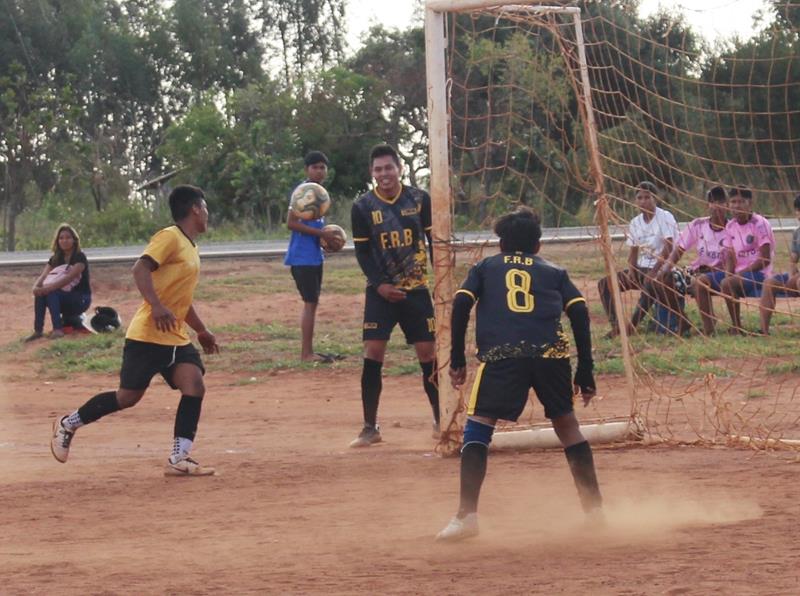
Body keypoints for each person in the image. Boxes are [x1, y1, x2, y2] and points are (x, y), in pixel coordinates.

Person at [436, 207, 601, 542]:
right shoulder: (555, 270)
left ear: (501, 244)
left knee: (478, 427)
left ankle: (467, 516)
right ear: (538, 245)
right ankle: (595, 511)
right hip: (551, 356)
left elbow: (462, 305)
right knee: (568, 426)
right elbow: (580, 311)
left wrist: (457, 358)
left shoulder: (484, 267)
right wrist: (585, 368)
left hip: (503, 356)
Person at [50, 185, 220, 476]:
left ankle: (179, 459)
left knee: (194, 384)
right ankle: (68, 424)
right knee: (127, 397)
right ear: (195, 209)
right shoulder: (170, 237)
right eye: (205, 208)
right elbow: (139, 269)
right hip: (147, 335)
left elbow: (181, 300)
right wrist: (155, 305)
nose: (207, 214)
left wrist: (202, 331)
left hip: (175, 335)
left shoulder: (191, 248)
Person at [348, 143, 439, 447]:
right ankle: (370, 427)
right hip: (381, 293)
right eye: (378, 169)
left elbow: (434, 242)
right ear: (371, 173)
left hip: (417, 291)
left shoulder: (419, 199)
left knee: (428, 355)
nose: (384, 174)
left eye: (388, 167)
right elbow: (362, 253)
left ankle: (442, 420)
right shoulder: (362, 207)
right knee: (373, 354)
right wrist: (380, 285)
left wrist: (441, 280)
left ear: (399, 168)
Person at [598, 182, 678, 336]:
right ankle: (617, 326)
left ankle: (632, 326)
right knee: (605, 284)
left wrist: (654, 271)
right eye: (639, 198)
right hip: (642, 268)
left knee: (650, 283)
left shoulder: (665, 217)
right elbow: (633, 250)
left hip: (661, 269)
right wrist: (632, 269)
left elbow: (669, 247)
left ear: (655, 198)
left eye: (647, 197)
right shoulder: (635, 222)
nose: (643, 201)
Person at [284, 151, 341, 362]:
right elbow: (290, 223)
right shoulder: (303, 192)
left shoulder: (319, 193)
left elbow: (313, 226)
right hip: (302, 258)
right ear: (307, 169)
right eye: (315, 167)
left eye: (322, 167)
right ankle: (306, 354)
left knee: (313, 303)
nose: (319, 170)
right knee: (310, 303)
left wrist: (325, 241)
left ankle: (308, 351)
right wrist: (321, 234)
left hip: (313, 257)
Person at [660, 186, 729, 336]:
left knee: (699, 282)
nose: (717, 206)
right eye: (713, 202)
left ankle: (709, 326)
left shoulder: (732, 228)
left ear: (727, 205)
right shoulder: (698, 224)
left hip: (721, 273)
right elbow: (679, 250)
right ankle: (682, 321)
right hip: (698, 269)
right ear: (707, 205)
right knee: (665, 278)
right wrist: (666, 267)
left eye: (721, 202)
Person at [720, 186, 775, 334]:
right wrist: (729, 274)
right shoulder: (730, 225)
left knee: (727, 283)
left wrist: (738, 275)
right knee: (707, 281)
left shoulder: (760, 224)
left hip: (760, 274)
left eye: (741, 201)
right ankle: (733, 327)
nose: (736, 205)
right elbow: (731, 256)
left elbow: (765, 259)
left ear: (749, 203)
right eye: (733, 202)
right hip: (741, 274)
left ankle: (740, 328)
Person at [26, 224, 92, 341]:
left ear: (74, 240)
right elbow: (43, 276)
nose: (64, 240)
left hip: (79, 298)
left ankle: (58, 329)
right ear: (57, 241)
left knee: (51, 293)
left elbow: (69, 278)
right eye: (61, 238)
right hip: (60, 297)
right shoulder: (55, 258)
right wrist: (36, 288)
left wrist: (47, 289)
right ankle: (38, 330)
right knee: (40, 295)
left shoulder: (79, 257)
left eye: (68, 238)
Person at [759, 193, 800, 335]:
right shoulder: (797, 233)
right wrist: (791, 275)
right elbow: (793, 260)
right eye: (798, 210)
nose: (799, 214)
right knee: (769, 283)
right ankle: (763, 331)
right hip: (797, 277)